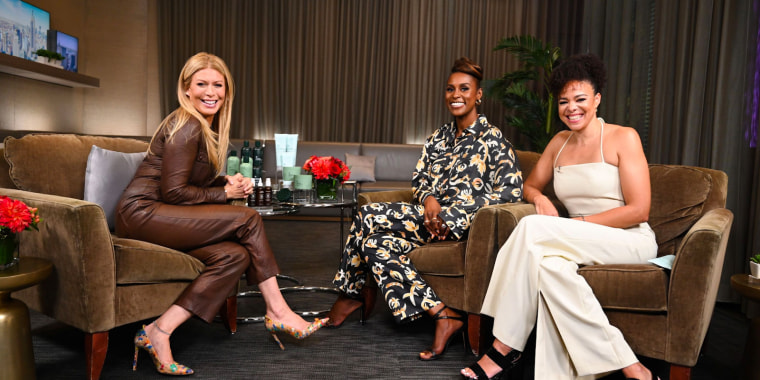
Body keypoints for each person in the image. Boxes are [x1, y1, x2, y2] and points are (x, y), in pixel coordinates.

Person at [116, 52, 326, 376]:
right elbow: (173, 192)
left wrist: (224, 180)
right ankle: (278, 310)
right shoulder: (186, 125)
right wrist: (225, 193)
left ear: (227, 91)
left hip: (163, 214)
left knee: (234, 255)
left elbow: (186, 179)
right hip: (143, 213)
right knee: (248, 218)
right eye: (201, 84)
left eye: (218, 85)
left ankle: (158, 331)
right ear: (186, 89)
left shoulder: (204, 127)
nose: (210, 92)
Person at [460, 54, 659, 380]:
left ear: (597, 99)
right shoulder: (558, 143)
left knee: (530, 227)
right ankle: (632, 368)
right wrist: (540, 198)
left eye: (580, 99)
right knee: (549, 267)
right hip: (575, 240)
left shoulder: (624, 137)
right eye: (564, 101)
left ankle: (503, 347)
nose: (571, 108)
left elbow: (639, 210)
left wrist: (572, 226)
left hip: (629, 238)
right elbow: (530, 186)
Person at [327, 57, 524, 361]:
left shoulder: (494, 140)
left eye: (464, 88)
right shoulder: (437, 138)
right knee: (372, 243)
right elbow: (420, 178)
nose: (455, 94)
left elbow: (510, 194)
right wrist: (429, 199)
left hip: (462, 230)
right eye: (450, 89)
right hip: (423, 221)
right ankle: (443, 313)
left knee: (367, 214)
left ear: (478, 95)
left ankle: (351, 293)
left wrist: (452, 216)